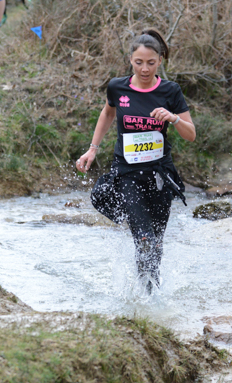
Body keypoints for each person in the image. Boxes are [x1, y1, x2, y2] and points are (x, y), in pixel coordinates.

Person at [76, 30, 196, 293]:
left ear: (160, 60)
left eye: (151, 63)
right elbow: (107, 114)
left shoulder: (170, 91)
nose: (144, 69)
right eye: (138, 62)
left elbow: (191, 134)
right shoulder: (118, 87)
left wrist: (174, 118)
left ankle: (150, 296)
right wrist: (93, 149)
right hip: (127, 174)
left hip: (160, 175)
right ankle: (144, 298)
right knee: (144, 238)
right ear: (130, 59)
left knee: (155, 242)